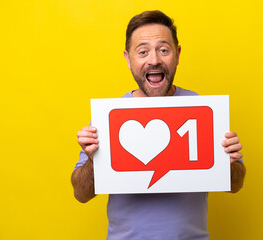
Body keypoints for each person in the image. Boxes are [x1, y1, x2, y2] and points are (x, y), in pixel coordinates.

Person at [71, 10, 246, 240]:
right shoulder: (110, 116)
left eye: (163, 50)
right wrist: (95, 160)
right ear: (128, 59)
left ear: (178, 54)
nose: (154, 60)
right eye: (142, 51)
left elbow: (235, 184)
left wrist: (229, 160)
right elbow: (81, 194)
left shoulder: (201, 109)